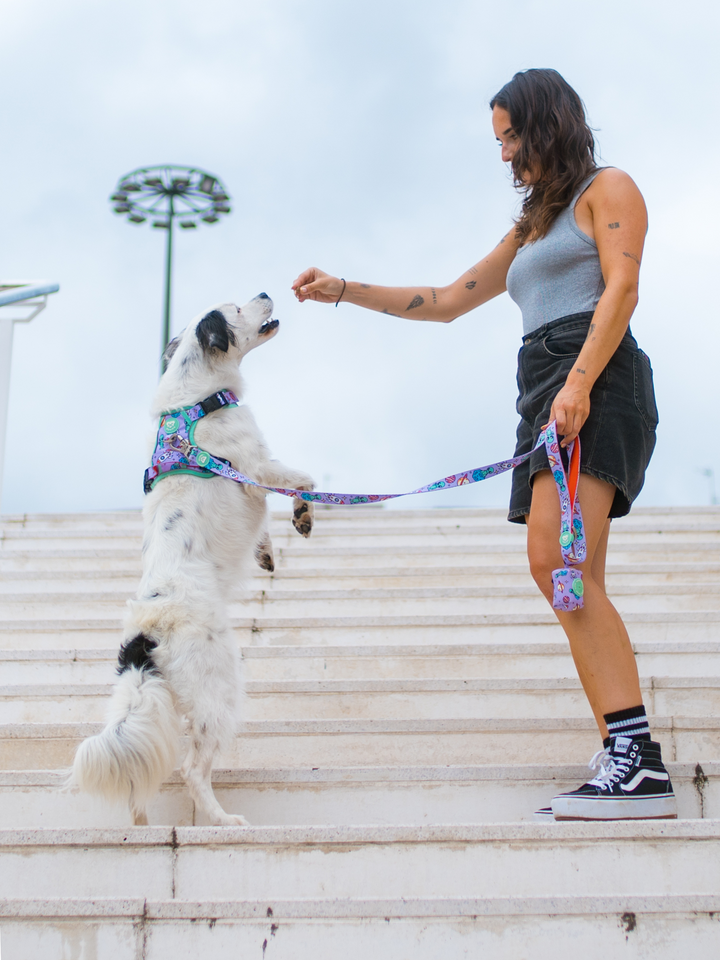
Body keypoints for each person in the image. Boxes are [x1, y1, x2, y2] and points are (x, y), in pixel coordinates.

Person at [291, 68, 675, 822]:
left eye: (510, 136)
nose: (503, 155)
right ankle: (621, 753)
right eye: (497, 141)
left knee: (554, 563)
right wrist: (343, 288)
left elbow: (622, 290)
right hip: (547, 390)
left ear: (546, 123)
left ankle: (637, 760)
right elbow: (447, 301)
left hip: (593, 378)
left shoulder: (610, 187)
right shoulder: (534, 223)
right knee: (575, 579)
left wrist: (579, 384)